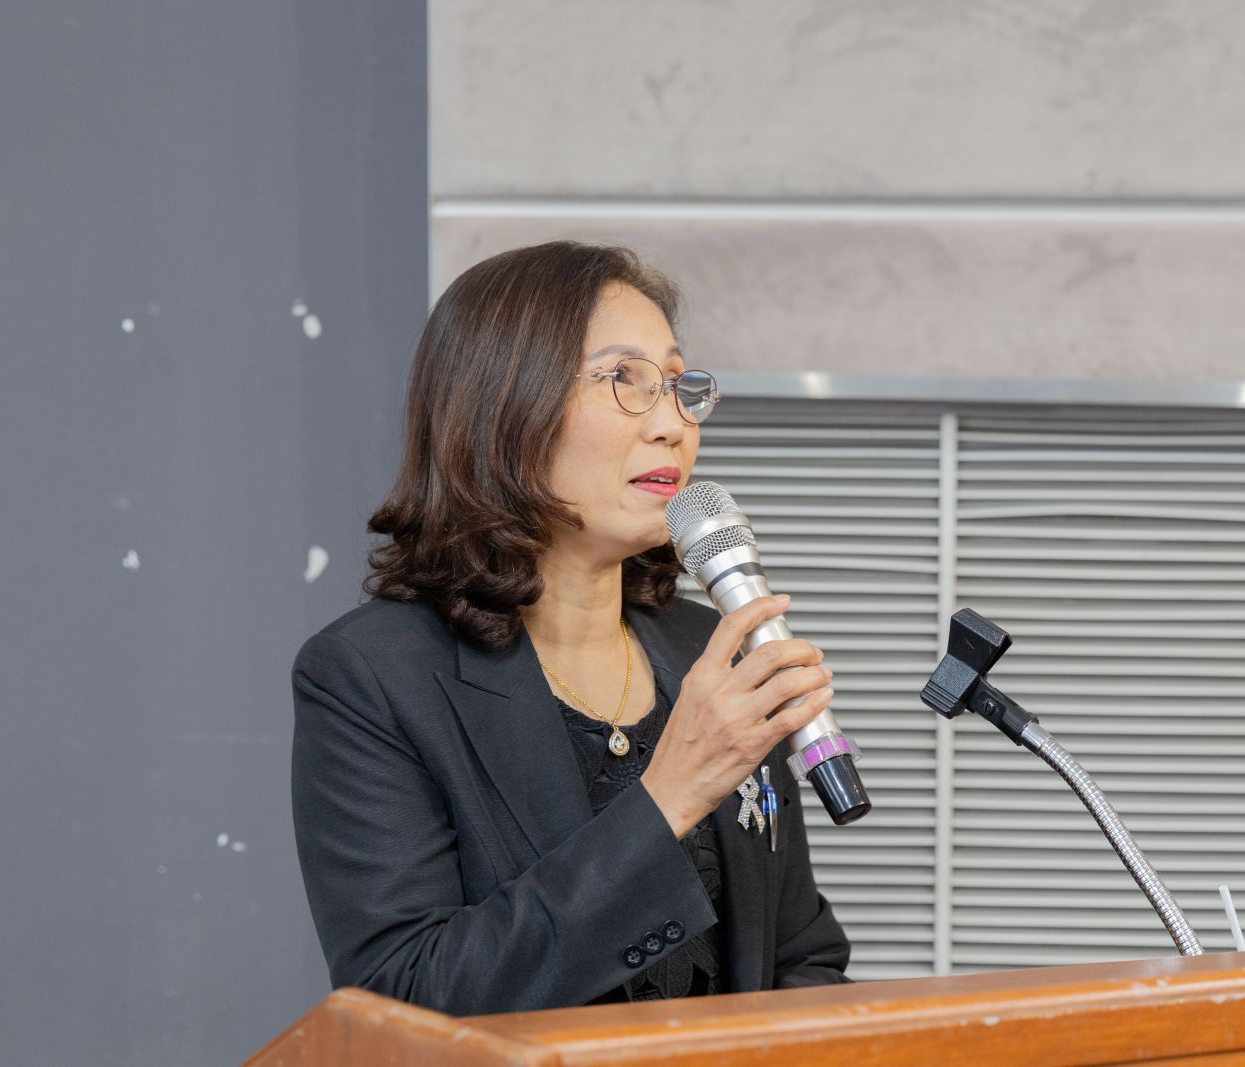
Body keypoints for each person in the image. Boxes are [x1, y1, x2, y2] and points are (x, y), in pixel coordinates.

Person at [289, 240, 851, 1017]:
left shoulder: (708, 652)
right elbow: (408, 997)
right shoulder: (372, 678)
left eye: (678, 386)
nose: (674, 425)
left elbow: (801, 958)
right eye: (625, 380)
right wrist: (669, 795)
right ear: (503, 405)